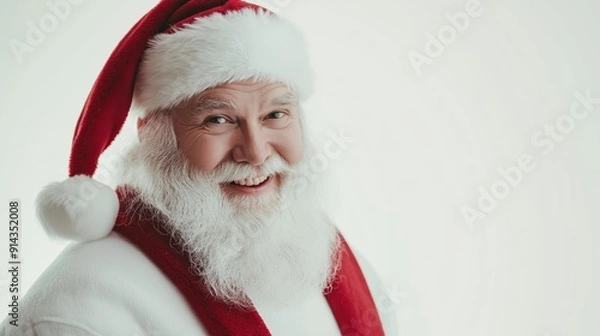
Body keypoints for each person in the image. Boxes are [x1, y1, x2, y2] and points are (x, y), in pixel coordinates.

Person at [1, 0, 396, 335]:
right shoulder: (78, 307)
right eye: (217, 120)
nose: (255, 153)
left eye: (276, 114)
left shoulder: (325, 255)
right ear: (154, 135)